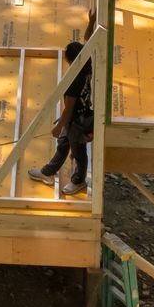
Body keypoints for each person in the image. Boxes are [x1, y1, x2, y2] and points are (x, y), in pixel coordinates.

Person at [29, 39, 93, 197]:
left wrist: (58, 127)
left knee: (78, 151)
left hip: (78, 121)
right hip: (81, 115)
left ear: (70, 59)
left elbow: (68, 110)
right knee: (63, 144)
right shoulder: (87, 68)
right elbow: (89, 40)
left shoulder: (73, 81)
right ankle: (48, 172)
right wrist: (91, 22)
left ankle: (79, 181)